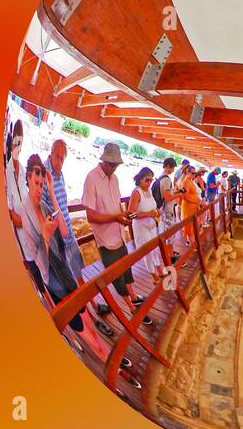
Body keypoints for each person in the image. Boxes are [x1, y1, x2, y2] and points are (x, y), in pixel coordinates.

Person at [20, 154, 109, 361]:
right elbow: (40, 265)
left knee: (89, 322)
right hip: (56, 285)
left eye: (42, 184)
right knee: (84, 331)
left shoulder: (43, 205)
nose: (39, 189)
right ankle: (107, 361)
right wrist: (47, 238)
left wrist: (51, 193)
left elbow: (66, 232)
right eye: (36, 183)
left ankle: (107, 355)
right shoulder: (26, 215)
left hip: (66, 275)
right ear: (27, 180)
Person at [81, 142, 152, 326]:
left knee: (126, 269)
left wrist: (124, 216)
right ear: (103, 160)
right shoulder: (91, 178)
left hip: (119, 234)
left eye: (116, 165)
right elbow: (90, 216)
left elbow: (117, 205)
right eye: (111, 164)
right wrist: (116, 217)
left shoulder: (115, 179)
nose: (113, 168)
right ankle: (132, 308)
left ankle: (134, 296)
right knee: (116, 277)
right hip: (106, 239)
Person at [44, 138, 84, 282]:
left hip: (69, 233)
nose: (60, 162)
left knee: (78, 270)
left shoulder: (60, 174)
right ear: (51, 153)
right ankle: (84, 303)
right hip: (58, 237)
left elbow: (63, 205)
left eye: (63, 159)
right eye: (57, 157)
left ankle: (92, 303)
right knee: (68, 278)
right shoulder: (43, 176)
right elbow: (43, 210)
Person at [128, 167, 163, 279]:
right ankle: (154, 275)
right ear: (140, 179)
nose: (149, 183)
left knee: (155, 248)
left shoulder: (149, 190)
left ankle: (159, 268)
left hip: (152, 226)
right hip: (141, 228)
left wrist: (157, 211)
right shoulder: (136, 193)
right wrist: (149, 214)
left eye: (151, 180)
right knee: (147, 251)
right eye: (147, 180)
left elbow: (152, 206)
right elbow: (131, 214)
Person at [5, 119, 30, 260]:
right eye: (16, 142)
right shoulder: (8, 170)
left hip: (25, 225)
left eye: (20, 143)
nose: (17, 146)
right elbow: (8, 199)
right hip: (17, 228)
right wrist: (12, 215)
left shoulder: (22, 169)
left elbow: (24, 195)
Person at [153, 157, 180, 260]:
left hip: (162, 210)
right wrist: (179, 195)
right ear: (169, 166)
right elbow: (168, 197)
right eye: (173, 168)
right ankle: (170, 258)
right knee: (169, 236)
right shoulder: (167, 180)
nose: (173, 170)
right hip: (167, 211)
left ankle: (170, 254)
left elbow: (166, 194)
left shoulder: (161, 177)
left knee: (167, 235)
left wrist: (176, 192)